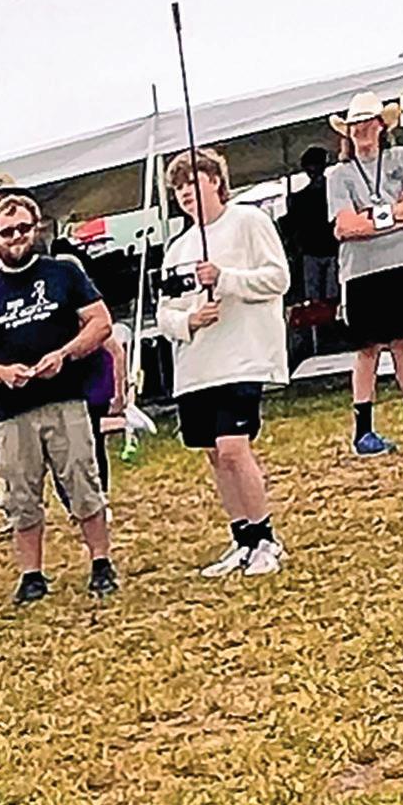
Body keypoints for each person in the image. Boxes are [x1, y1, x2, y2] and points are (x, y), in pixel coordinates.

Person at [0, 186, 115, 605]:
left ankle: (101, 563)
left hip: (66, 400)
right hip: (12, 413)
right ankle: (31, 575)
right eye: (6, 232)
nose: (16, 237)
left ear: (36, 228)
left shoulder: (63, 274)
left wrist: (65, 354)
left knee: (83, 483)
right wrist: (1, 373)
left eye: (23, 228)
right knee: (20, 496)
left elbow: (100, 323)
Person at [153, 147, 286, 574]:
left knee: (233, 449)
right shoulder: (178, 248)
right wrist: (189, 321)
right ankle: (241, 537)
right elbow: (165, 311)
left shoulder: (250, 222)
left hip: (241, 358)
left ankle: (265, 538)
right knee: (213, 453)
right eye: (177, 188)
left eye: (192, 182)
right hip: (196, 366)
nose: (184, 193)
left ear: (216, 181)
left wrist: (225, 279)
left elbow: (277, 278)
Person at [324, 101, 403, 456]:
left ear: (381, 125)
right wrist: (397, 215)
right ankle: (363, 430)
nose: (361, 129)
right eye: (355, 124)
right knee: (367, 349)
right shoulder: (339, 175)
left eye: (367, 122)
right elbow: (345, 226)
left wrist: (373, 217)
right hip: (362, 272)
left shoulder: (402, 159)